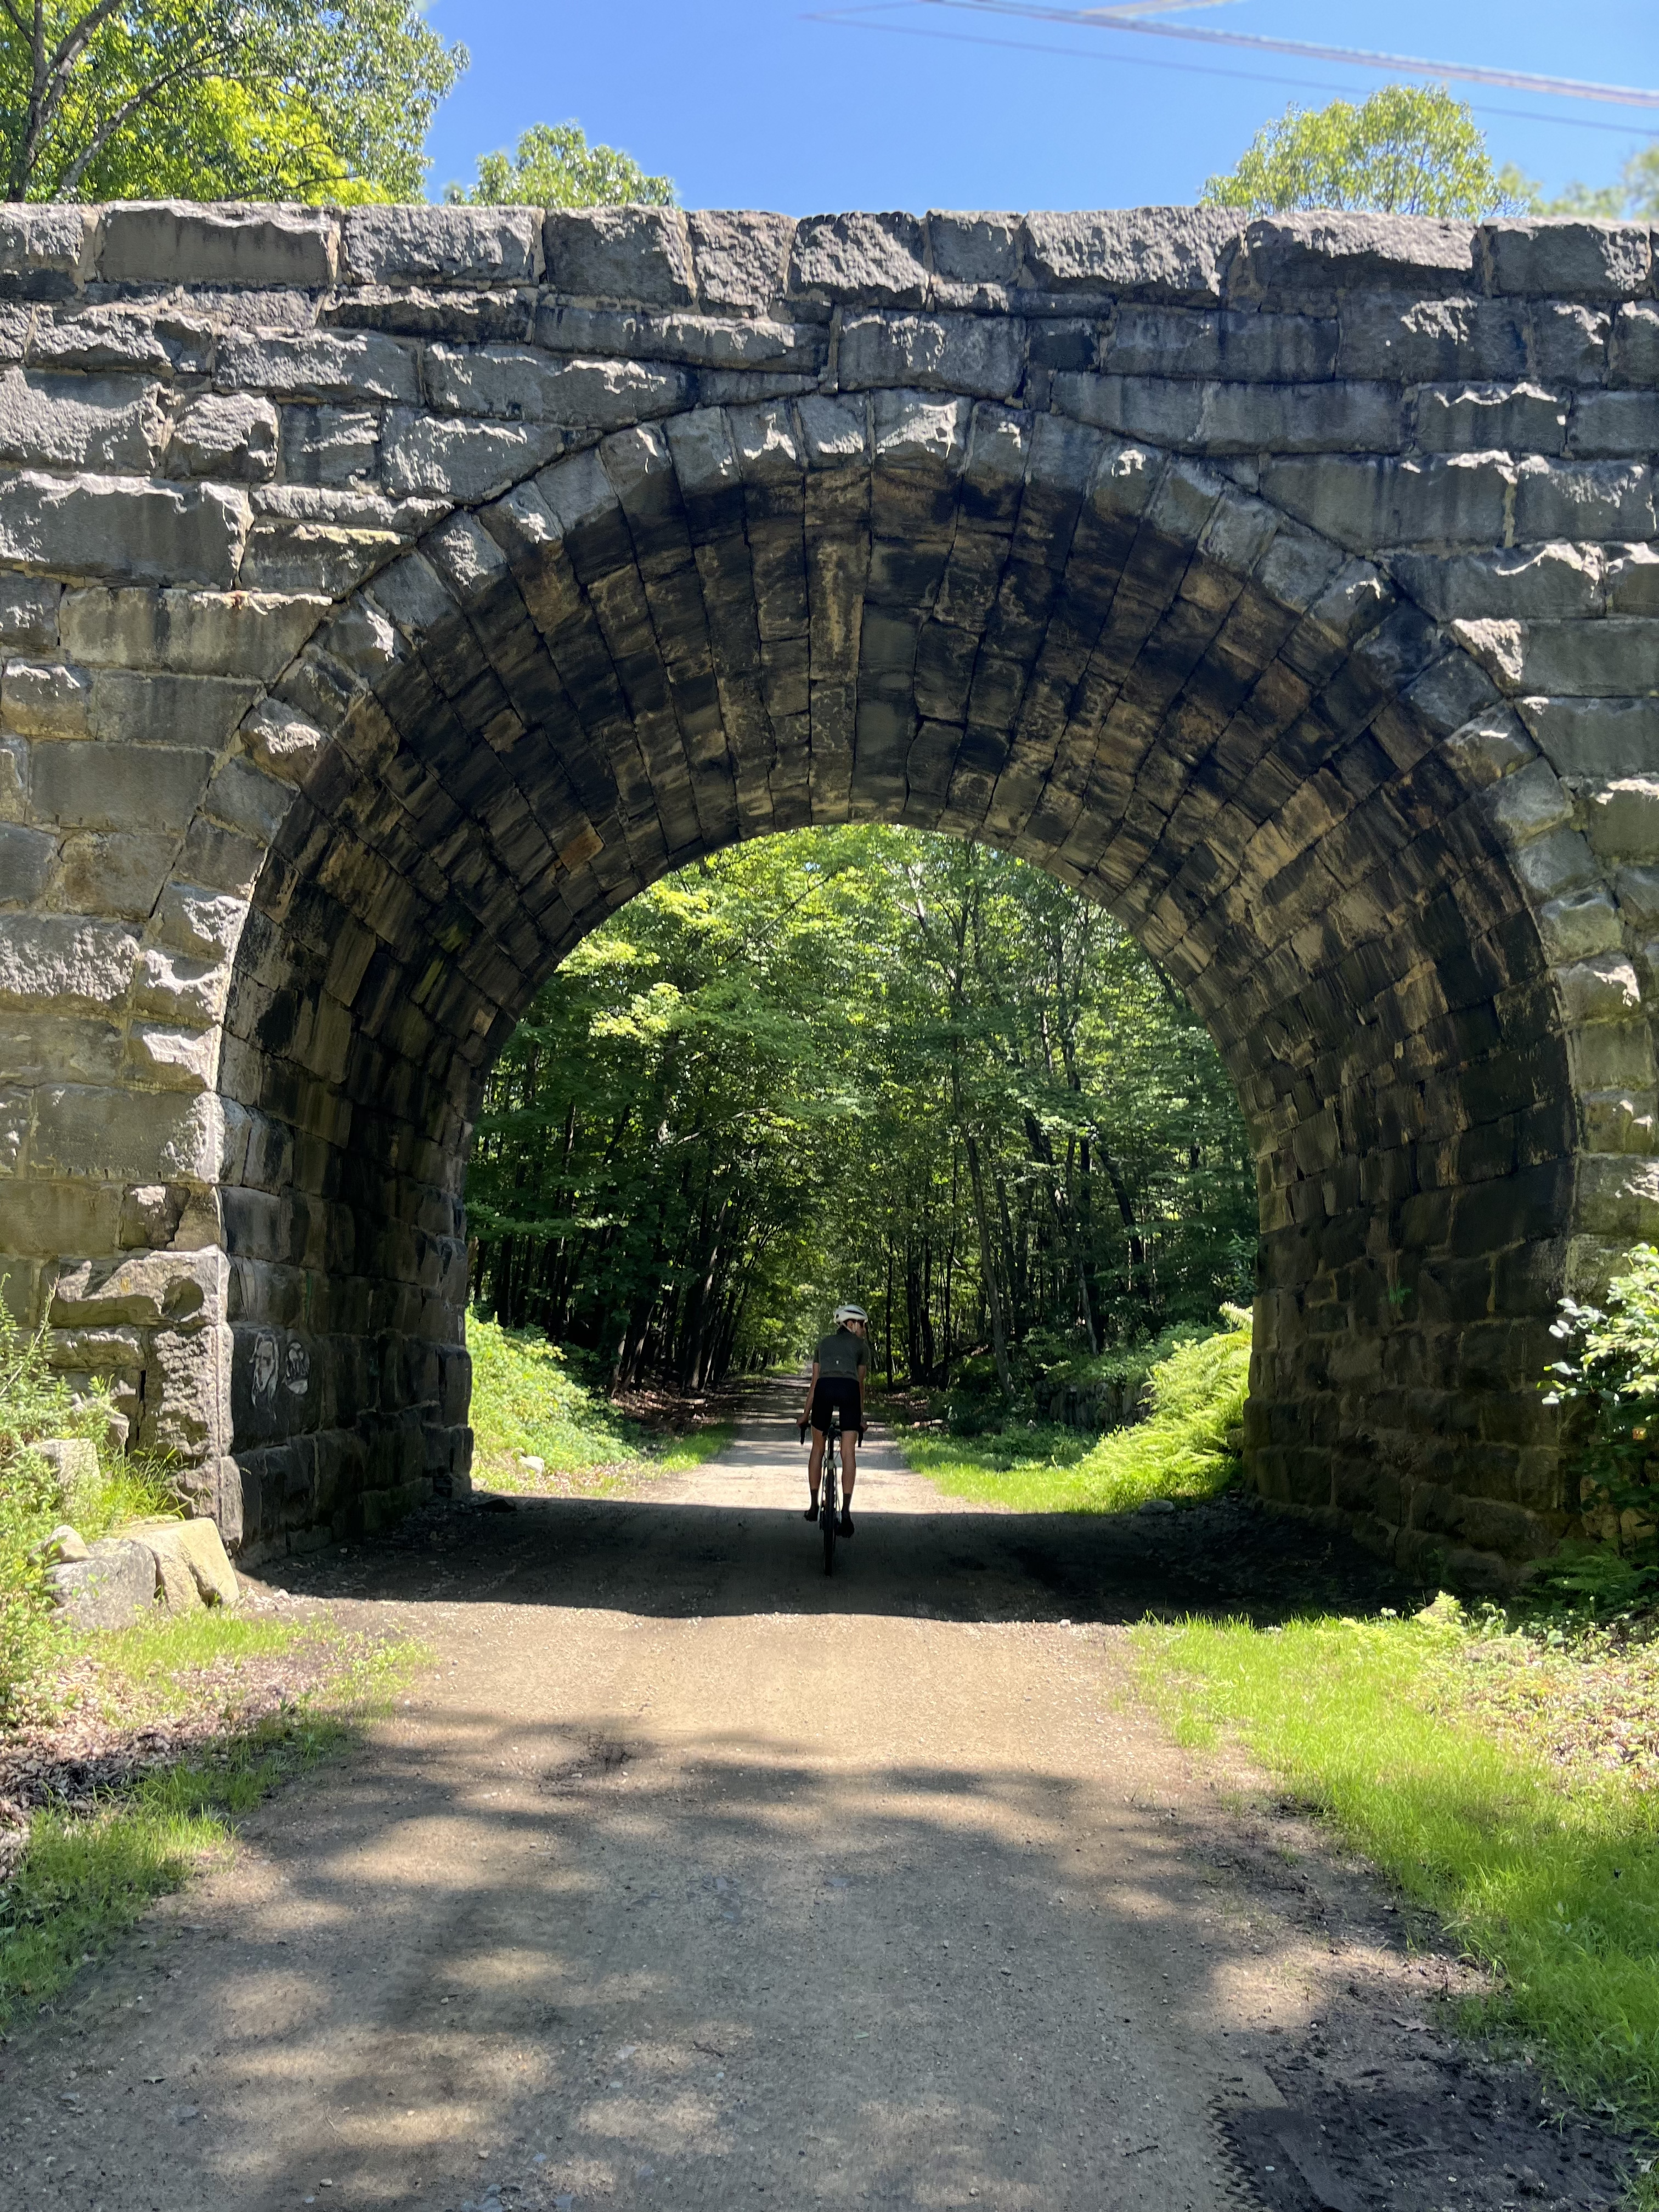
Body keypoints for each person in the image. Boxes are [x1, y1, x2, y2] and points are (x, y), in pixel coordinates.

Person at [799, 1304, 868, 1536]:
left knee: (817, 1448)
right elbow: (860, 1385)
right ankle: (846, 1514)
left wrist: (805, 1415)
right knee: (848, 1452)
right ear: (850, 1324)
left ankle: (813, 1506)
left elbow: (815, 1381)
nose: (864, 1329)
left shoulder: (823, 1344)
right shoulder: (861, 1347)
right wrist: (861, 1417)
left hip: (824, 1390)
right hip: (849, 1391)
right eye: (862, 1324)